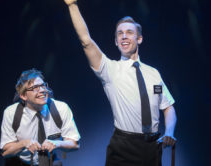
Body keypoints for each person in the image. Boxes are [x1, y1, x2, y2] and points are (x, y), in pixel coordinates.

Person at [63, 0, 177, 166]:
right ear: (116, 41)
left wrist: (169, 132)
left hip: (153, 147)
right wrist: (72, 6)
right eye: (120, 33)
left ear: (139, 39)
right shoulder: (110, 69)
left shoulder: (153, 73)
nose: (124, 36)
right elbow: (86, 41)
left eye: (129, 32)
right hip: (124, 147)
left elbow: (168, 106)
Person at [0, 69, 80, 166]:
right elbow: (6, 152)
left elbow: (75, 144)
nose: (42, 90)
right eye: (35, 88)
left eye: (42, 85)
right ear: (23, 96)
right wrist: (23, 144)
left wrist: (57, 144)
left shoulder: (61, 108)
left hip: (50, 161)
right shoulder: (11, 113)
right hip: (20, 163)